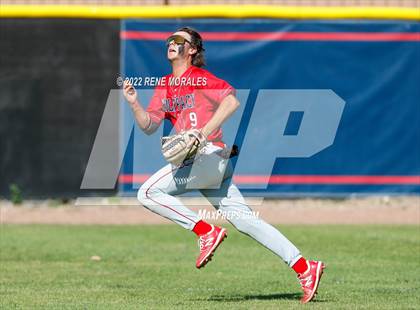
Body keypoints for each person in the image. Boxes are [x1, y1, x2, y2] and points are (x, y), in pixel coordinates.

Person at [122, 26, 325, 304]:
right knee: (247, 221)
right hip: (209, 164)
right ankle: (305, 267)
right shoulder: (165, 85)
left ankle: (206, 231)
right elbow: (149, 126)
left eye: (180, 40)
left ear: (192, 50)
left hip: (207, 154)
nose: (172, 42)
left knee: (147, 193)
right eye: (170, 39)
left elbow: (231, 102)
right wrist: (134, 104)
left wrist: (201, 134)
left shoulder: (200, 77)